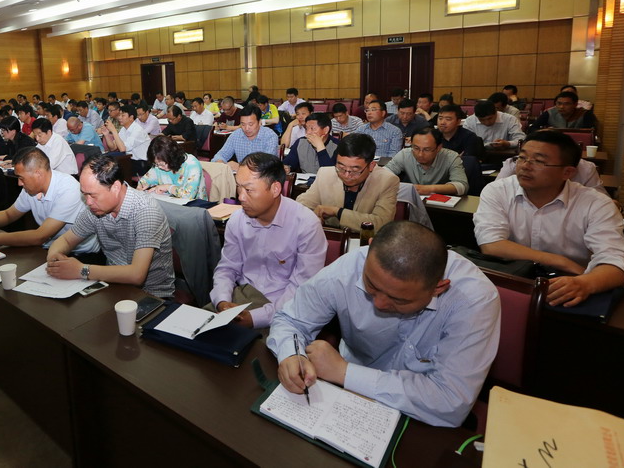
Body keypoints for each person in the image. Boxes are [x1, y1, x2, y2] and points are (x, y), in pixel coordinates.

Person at [267, 221, 500, 428]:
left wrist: (344, 372)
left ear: (438, 288)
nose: (378, 304)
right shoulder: (349, 268)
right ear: (370, 249)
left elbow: (450, 400)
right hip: (345, 395)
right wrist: (291, 354)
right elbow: (290, 320)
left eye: (399, 300)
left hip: (421, 417)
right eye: (371, 285)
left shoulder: (473, 301)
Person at [474, 130, 624, 307]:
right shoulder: (498, 190)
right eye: (522, 157)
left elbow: (618, 262)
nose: (525, 166)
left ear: (567, 172)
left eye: (539, 161)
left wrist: (586, 283)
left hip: (571, 286)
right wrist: (561, 261)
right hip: (515, 282)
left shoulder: (596, 204)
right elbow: (491, 244)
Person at [209, 152, 326, 329]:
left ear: (275, 189)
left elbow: (301, 289)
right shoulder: (237, 220)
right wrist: (222, 301)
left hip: (286, 309)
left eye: (249, 190)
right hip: (241, 297)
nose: (241, 197)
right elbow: (227, 268)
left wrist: (256, 318)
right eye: (239, 187)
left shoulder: (306, 225)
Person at [45, 155, 175, 298]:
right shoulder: (96, 210)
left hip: (151, 294)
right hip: (111, 285)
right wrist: (54, 258)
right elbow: (66, 240)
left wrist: (81, 270)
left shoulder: (146, 211)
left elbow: (137, 275)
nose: (88, 202)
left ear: (115, 187)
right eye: (84, 195)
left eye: (93, 195)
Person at [0, 147, 99, 254]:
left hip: (79, 253)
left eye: (21, 178)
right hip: (49, 247)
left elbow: (40, 236)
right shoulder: (31, 188)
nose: (19, 184)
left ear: (38, 173)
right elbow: (9, 214)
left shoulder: (68, 189)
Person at [296, 133, 399, 232]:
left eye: (354, 170)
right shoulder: (325, 173)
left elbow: (381, 224)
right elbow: (301, 207)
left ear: (371, 166)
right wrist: (312, 217)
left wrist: (337, 212)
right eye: (341, 168)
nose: (346, 175)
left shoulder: (387, 181)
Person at [385, 128, 469, 195]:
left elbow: (462, 186)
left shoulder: (451, 157)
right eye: (416, 148)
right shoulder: (405, 154)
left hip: (440, 206)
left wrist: (427, 189)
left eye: (427, 149)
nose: (420, 154)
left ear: (439, 148)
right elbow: (383, 174)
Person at [137, 135, 207, 200]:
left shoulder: (191, 164)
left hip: (194, 205)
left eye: (162, 164)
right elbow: (145, 180)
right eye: (157, 164)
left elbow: (188, 195)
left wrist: (168, 187)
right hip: (171, 203)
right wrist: (141, 186)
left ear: (172, 157)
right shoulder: (158, 165)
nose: (159, 167)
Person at [211, 105, 278, 171]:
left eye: (250, 124)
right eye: (243, 124)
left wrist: (241, 167)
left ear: (259, 122)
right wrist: (220, 162)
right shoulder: (236, 135)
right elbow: (220, 155)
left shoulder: (270, 136)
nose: (246, 128)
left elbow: (269, 164)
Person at [529, 91, 597, 132]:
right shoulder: (550, 112)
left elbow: (589, 133)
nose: (561, 107)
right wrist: (543, 131)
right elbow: (532, 128)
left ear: (575, 104)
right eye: (559, 103)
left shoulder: (584, 114)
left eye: (567, 104)